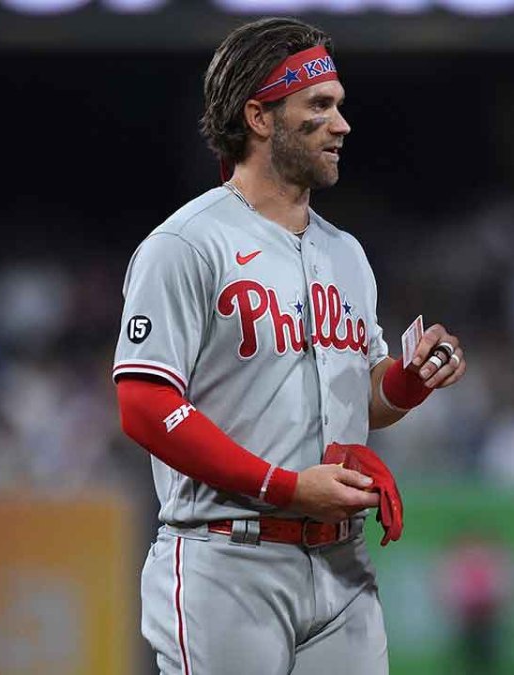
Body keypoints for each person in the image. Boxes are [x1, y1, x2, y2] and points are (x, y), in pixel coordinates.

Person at [112, 17, 465, 675]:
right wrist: (285, 485)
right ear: (260, 116)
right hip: (226, 558)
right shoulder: (187, 243)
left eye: (340, 106)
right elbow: (142, 402)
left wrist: (410, 380)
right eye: (320, 106)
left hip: (340, 564)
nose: (342, 125)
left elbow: (362, 394)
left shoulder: (346, 252)